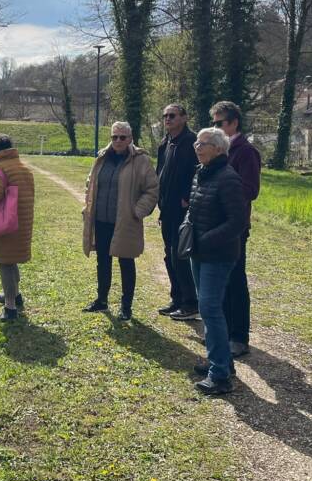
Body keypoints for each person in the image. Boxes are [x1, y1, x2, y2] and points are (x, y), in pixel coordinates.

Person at [183, 127, 248, 396]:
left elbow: (238, 221)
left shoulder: (228, 178)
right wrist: (188, 228)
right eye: (197, 143)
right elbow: (196, 208)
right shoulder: (202, 172)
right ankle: (222, 361)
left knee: (210, 309)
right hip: (199, 252)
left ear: (219, 149)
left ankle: (220, 375)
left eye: (203, 143)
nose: (197, 147)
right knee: (208, 307)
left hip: (218, 255)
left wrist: (206, 240)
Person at [82, 121, 159, 320]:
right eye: (114, 137)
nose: (118, 140)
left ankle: (126, 307)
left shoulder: (141, 160)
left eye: (122, 137)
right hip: (101, 219)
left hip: (125, 221)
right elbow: (90, 182)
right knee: (102, 261)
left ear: (130, 139)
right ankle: (101, 300)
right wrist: (88, 203)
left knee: (126, 261)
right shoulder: (102, 157)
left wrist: (138, 211)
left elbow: (152, 189)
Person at [210, 101, 261, 357]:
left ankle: (239, 336)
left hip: (234, 226)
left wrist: (222, 191)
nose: (215, 127)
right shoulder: (218, 150)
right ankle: (224, 332)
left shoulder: (246, 152)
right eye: (213, 123)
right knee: (219, 281)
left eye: (219, 123)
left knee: (236, 281)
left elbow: (251, 190)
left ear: (233, 123)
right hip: (214, 225)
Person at [0, 134, 35, 322]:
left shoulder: (1, 169)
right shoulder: (23, 167)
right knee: (12, 261)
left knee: (5, 262)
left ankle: (10, 307)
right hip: (21, 223)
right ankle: (15, 295)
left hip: (5, 225)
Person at [155, 104, 199, 320]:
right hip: (167, 208)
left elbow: (198, 173)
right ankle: (177, 297)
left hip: (183, 209)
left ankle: (190, 303)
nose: (168, 119)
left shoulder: (193, 142)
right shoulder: (165, 143)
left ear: (184, 117)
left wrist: (187, 198)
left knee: (179, 255)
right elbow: (159, 173)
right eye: (165, 115)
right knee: (169, 254)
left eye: (172, 115)